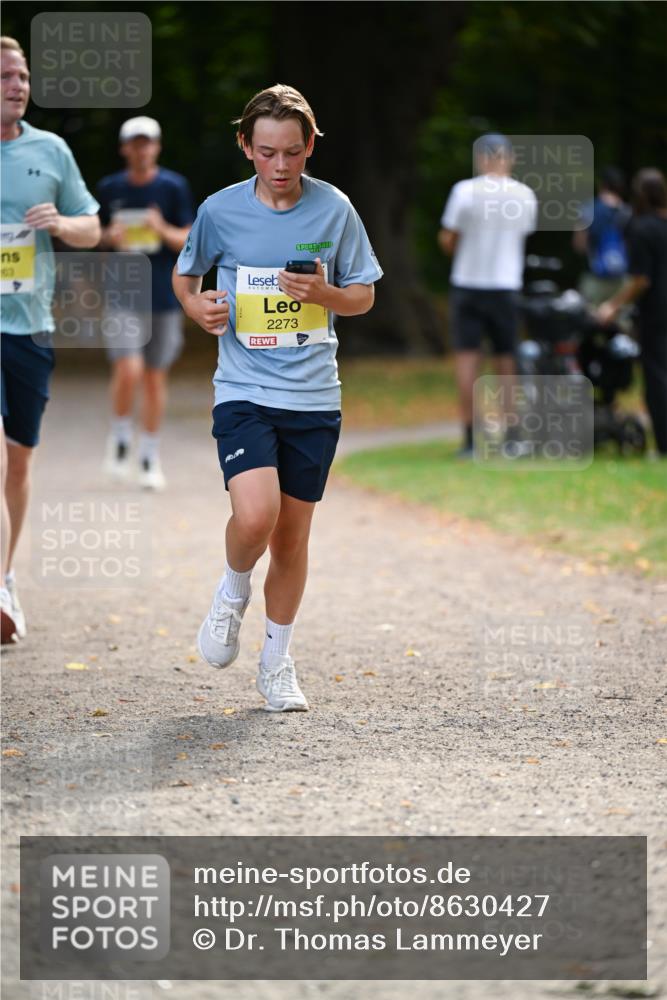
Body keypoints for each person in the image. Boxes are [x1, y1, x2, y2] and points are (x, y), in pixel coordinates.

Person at [173, 84, 381, 711]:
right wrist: (196, 308)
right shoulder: (220, 211)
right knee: (255, 516)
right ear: (246, 146)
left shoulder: (334, 209)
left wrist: (325, 296)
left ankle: (276, 663)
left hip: (314, 397)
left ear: (310, 145)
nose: (281, 165)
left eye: (292, 151)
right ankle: (232, 591)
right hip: (245, 389)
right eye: (267, 152)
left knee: (291, 538)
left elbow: (364, 293)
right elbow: (186, 275)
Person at [0, 36, 100, 644]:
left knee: (18, 461)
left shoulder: (50, 150)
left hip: (30, 326)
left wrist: (61, 223)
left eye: (23, 76)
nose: (18, 86)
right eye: (6, 76)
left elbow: (93, 227)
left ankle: (6, 576)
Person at [97, 116, 195, 491]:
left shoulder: (173, 187)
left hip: (163, 295)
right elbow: (94, 235)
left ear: (157, 146)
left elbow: (189, 238)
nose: (142, 149)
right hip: (122, 293)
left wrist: (161, 229)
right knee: (129, 369)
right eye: (135, 143)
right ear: (125, 148)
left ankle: (149, 456)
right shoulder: (110, 188)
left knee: (155, 377)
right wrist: (110, 236)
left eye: (148, 142)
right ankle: (121, 437)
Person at [438, 134, 537, 457]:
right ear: (510, 158)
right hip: (505, 286)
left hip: (467, 283)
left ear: (481, 158)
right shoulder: (524, 195)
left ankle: (470, 440)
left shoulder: (464, 191)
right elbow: (523, 236)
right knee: (506, 361)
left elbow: (448, 238)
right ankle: (512, 436)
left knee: (467, 362)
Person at [598, 168, 667, 457]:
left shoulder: (642, 229)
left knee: (657, 376)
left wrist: (612, 306)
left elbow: (641, 280)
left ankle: (664, 445)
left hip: (657, 312)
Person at [573, 166, 631, 307]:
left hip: (594, 277)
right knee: (620, 318)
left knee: (589, 317)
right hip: (622, 279)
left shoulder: (589, 208)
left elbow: (579, 245)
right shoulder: (629, 212)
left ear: (602, 185)